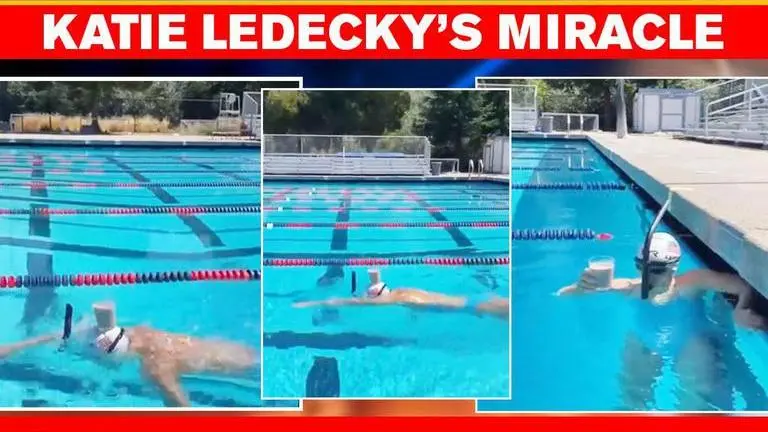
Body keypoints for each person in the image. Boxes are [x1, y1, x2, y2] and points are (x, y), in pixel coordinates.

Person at [557, 231, 768, 409]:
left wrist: (740, 310)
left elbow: (742, 286)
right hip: (645, 342)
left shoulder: (690, 283)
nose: (648, 275)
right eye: (642, 267)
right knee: (632, 399)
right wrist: (582, 285)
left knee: (700, 399)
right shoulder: (632, 287)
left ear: (674, 267)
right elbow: (566, 293)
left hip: (688, 345)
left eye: (656, 269)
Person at [0, 301, 258, 407]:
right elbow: (66, 334)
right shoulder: (135, 335)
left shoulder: (156, 366)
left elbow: (183, 408)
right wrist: (13, 348)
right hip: (234, 351)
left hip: (246, 367)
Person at [293, 268, 509, 321]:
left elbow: (352, 302)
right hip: (478, 302)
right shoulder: (406, 292)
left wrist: (316, 302)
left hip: (478, 307)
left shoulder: (401, 298)